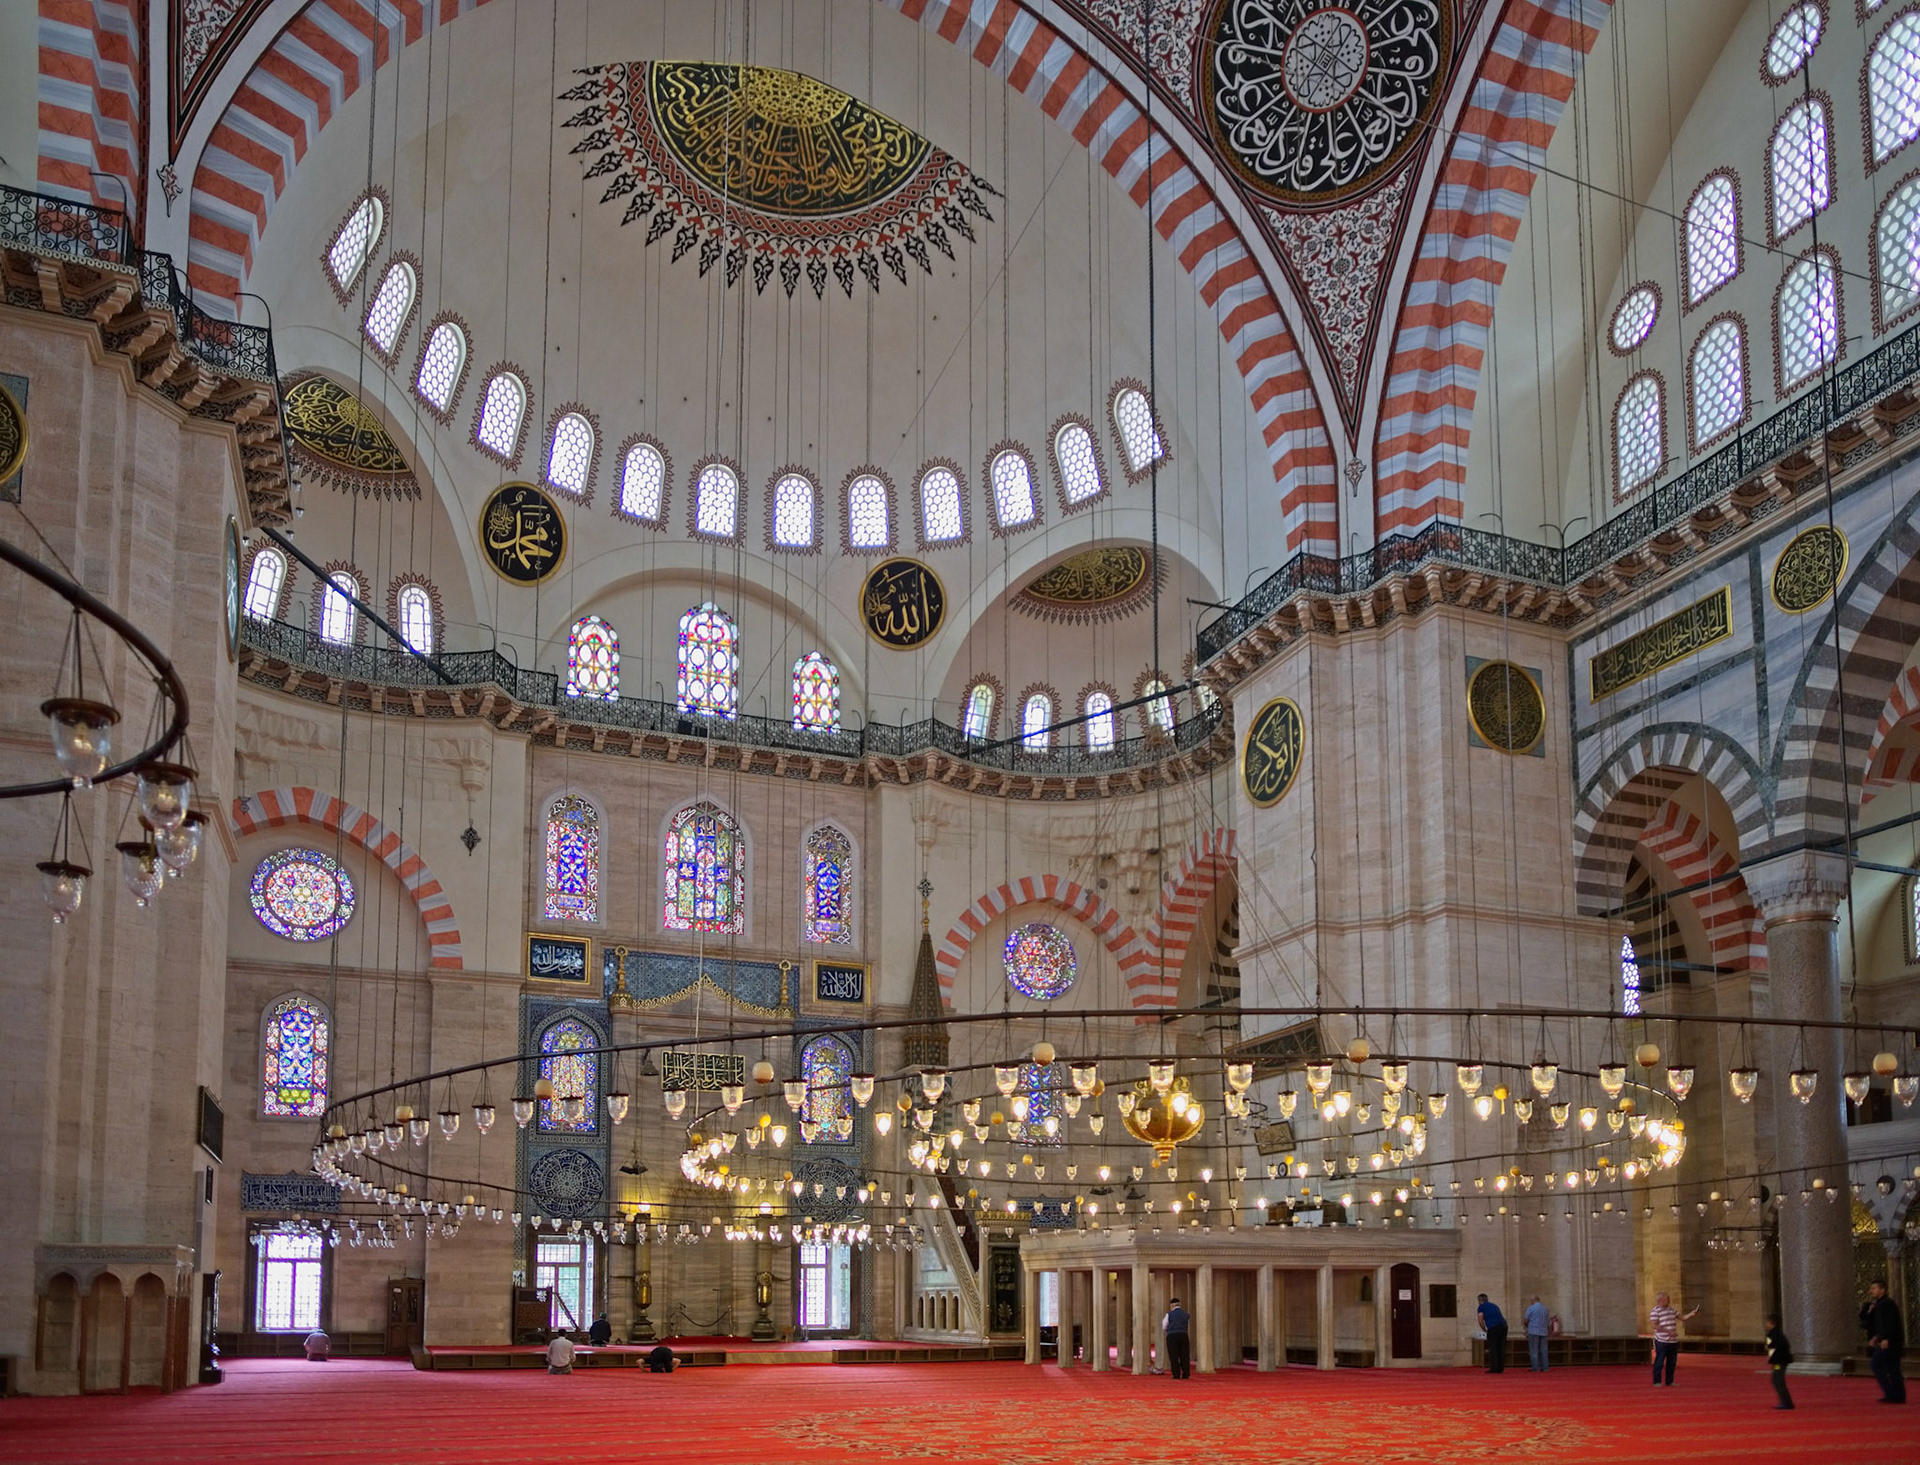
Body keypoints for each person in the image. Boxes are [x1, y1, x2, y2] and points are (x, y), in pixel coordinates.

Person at [1861, 1280, 1907, 1404]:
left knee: (1876, 1364)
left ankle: (1891, 1393)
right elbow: (1871, 1323)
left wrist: (1885, 1338)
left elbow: (1889, 1324)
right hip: (1888, 1340)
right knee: (1893, 1368)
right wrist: (1876, 1337)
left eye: (1874, 1288)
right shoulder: (1877, 1304)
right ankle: (1898, 1395)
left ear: (1883, 1290)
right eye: (1871, 1288)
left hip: (1890, 1341)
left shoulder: (1887, 1304)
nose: (1872, 1291)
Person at [1648, 1292, 1698, 1385]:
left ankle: (1669, 1381)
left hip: (1673, 1341)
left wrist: (1691, 1314)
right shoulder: (1655, 1311)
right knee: (1659, 1361)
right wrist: (1668, 1331)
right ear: (1660, 1300)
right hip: (1661, 1340)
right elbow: (1654, 1325)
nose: (1669, 1300)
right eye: (1667, 1298)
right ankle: (1657, 1381)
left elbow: (1682, 1318)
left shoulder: (1672, 1310)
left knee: (1672, 1362)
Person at [1763, 1314, 1793, 1410]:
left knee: (1778, 1380)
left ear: (1771, 1323)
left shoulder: (1775, 1334)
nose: (1765, 1324)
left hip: (1779, 1362)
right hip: (1778, 1361)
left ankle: (1786, 1402)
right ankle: (1785, 1401)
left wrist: (1769, 1346)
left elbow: (1778, 1345)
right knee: (1777, 1380)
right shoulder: (1775, 1333)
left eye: (1767, 1322)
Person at [1162, 1296, 1192, 1380]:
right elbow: (1187, 1323)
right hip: (1183, 1335)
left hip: (1172, 1336)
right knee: (1184, 1355)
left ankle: (1176, 1374)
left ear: (1172, 1306)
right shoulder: (1186, 1314)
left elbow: (1164, 1325)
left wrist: (1168, 1332)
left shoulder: (1169, 1314)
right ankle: (1186, 1373)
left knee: (1174, 1355)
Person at [1476, 1294, 1507, 1374]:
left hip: (1493, 1327)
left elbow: (1480, 1320)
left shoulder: (1481, 1307)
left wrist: (1484, 1329)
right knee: (1501, 1347)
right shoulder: (1494, 1305)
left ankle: (1494, 1368)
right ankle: (1500, 1368)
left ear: (1480, 1300)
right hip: (1503, 1326)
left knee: (1493, 1348)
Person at [1523, 1296, 1550, 1373]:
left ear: (1533, 1300)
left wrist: (1527, 1327)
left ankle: (1535, 1367)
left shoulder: (1531, 1308)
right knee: (1544, 1350)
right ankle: (1545, 1367)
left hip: (1533, 1331)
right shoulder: (1545, 1309)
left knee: (1534, 1350)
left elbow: (1526, 1320)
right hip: (1544, 1332)